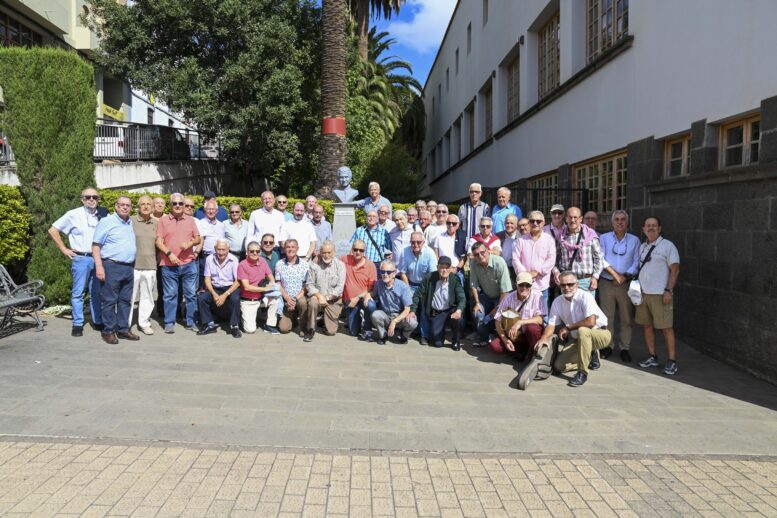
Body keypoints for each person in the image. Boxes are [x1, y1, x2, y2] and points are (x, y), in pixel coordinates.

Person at [535, 271, 611, 387]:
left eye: (570, 284)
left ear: (577, 284)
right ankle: (589, 356)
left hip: (600, 334)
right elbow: (551, 325)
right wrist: (544, 338)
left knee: (583, 331)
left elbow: (591, 322)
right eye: (563, 285)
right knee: (558, 366)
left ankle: (582, 373)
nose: (566, 288)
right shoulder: (557, 301)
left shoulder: (585, 296)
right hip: (578, 339)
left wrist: (568, 327)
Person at [48, 187, 107, 336]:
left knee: (96, 292)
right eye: (88, 197)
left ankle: (98, 321)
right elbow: (53, 230)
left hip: (98, 258)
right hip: (81, 258)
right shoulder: (73, 214)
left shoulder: (104, 214)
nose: (92, 200)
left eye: (95, 197)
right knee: (78, 292)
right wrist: (64, 249)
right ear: (82, 199)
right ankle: (78, 324)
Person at [636, 217, 681, 375]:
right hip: (643, 294)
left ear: (659, 228)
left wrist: (668, 290)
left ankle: (672, 360)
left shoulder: (668, 246)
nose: (651, 228)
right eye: (648, 226)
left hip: (661, 294)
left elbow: (675, 270)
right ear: (643, 229)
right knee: (647, 326)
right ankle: (652, 356)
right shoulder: (642, 247)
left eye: (654, 226)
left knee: (666, 328)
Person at [92, 196, 138, 344]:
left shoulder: (129, 222)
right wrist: (99, 266)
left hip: (128, 267)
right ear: (116, 206)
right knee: (109, 301)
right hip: (112, 266)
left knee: (125, 300)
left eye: (128, 205)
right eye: (122, 205)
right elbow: (96, 245)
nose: (125, 207)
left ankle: (123, 329)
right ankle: (108, 331)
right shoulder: (107, 222)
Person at [155, 193, 202, 333]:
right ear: (170, 205)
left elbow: (198, 238)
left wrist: (189, 243)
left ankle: (191, 321)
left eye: (180, 203)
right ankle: (169, 322)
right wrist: (169, 254)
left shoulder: (190, 220)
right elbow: (158, 241)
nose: (177, 206)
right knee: (170, 295)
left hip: (188, 264)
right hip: (169, 266)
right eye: (174, 203)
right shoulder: (163, 221)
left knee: (191, 295)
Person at [598, 210, 641, 362]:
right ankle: (607, 345)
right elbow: (601, 259)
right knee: (607, 317)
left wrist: (623, 277)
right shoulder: (604, 238)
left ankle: (625, 348)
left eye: (623, 219)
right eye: (617, 219)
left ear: (627, 222)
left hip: (626, 284)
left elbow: (636, 263)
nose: (620, 222)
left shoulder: (635, 240)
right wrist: (616, 275)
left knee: (626, 317)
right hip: (606, 282)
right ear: (612, 223)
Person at [409, 256, 466, 350]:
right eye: (442, 267)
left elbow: (462, 298)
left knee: (459, 319)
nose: (444, 270)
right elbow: (417, 295)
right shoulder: (430, 277)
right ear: (437, 267)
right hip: (438, 312)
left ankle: (456, 340)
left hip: (450, 310)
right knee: (437, 343)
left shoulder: (454, 279)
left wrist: (458, 311)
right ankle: (440, 332)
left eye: (447, 267)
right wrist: (412, 311)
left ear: (451, 268)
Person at [489, 272, 546, 361]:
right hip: (515, 336)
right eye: (521, 285)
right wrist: (505, 340)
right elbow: (497, 321)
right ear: (516, 285)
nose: (524, 288)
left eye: (527, 285)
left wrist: (520, 322)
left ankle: (531, 353)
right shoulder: (509, 298)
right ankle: (519, 351)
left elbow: (540, 319)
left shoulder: (538, 296)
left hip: (530, 334)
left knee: (532, 329)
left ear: (531, 285)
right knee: (495, 346)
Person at [469, 241, 513, 346]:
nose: (479, 256)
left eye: (482, 252)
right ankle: (486, 338)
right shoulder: (474, 263)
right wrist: (477, 303)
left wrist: (494, 311)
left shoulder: (499, 262)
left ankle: (499, 337)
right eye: (476, 254)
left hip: (503, 297)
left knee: (497, 316)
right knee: (478, 314)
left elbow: (505, 291)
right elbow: (473, 285)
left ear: (488, 250)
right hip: (487, 296)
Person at [552, 207, 603, 294]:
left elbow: (599, 258)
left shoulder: (590, 235)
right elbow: (554, 259)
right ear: (566, 219)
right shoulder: (561, 237)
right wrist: (556, 272)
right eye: (570, 217)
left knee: (586, 308)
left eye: (575, 217)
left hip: (586, 282)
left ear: (580, 219)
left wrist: (595, 277)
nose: (573, 220)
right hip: (566, 283)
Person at [196, 239, 241, 338]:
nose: (221, 252)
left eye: (223, 250)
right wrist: (214, 293)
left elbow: (238, 281)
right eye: (219, 249)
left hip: (230, 286)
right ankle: (209, 324)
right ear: (215, 249)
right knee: (201, 298)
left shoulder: (234, 259)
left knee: (235, 298)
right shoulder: (209, 259)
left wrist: (225, 295)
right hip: (215, 287)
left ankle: (234, 326)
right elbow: (207, 278)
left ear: (228, 249)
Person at [399, 232, 437, 344]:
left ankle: (424, 335)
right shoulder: (405, 251)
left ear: (423, 242)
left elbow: (432, 274)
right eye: (413, 242)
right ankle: (408, 331)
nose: (415, 244)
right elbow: (402, 273)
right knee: (408, 305)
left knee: (424, 307)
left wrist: (423, 290)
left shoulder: (429, 253)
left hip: (425, 284)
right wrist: (407, 289)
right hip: (409, 283)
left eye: (418, 242)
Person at [128, 195, 158, 335]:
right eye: (143, 204)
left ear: (152, 207)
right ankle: (125, 323)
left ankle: (144, 323)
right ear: (138, 207)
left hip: (150, 265)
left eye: (148, 204)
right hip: (133, 265)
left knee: (147, 297)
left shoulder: (157, 223)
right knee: (130, 296)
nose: (146, 206)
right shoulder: (131, 221)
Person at [304, 241, 346, 340]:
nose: (326, 255)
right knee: (312, 303)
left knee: (331, 332)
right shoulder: (314, 264)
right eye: (324, 252)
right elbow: (309, 284)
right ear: (320, 252)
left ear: (334, 252)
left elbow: (340, 288)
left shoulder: (340, 265)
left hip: (333, 299)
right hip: (318, 297)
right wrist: (319, 296)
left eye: (329, 252)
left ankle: (324, 320)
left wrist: (326, 298)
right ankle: (310, 329)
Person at [513, 210, 556, 303]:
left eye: (538, 221)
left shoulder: (549, 240)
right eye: (532, 221)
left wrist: (537, 272)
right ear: (529, 223)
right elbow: (515, 259)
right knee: (524, 314)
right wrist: (526, 275)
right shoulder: (521, 240)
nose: (535, 223)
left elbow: (551, 260)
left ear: (543, 223)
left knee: (542, 315)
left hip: (541, 285)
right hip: (524, 285)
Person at [371, 259, 417, 344]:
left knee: (413, 322)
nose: (385, 274)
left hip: (399, 316)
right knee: (375, 315)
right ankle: (383, 335)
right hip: (385, 315)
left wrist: (395, 321)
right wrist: (367, 295)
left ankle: (404, 335)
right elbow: (373, 295)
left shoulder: (402, 286)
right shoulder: (378, 284)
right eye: (383, 272)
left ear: (394, 273)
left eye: (388, 272)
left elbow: (407, 308)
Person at [238, 241, 280, 334]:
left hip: (262, 298)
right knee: (250, 330)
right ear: (247, 252)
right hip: (248, 300)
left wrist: (272, 284)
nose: (255, 253)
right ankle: (243, 316)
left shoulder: (262, 260)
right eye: (252, 251)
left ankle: (269, 325)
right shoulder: (242, 265)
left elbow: (270, 276)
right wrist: (265, 289)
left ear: (260, 252)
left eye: (257, 251)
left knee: (275, 300)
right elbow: (247, 287)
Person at [341, 239, 377, 339]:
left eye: (361, 250)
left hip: (362, 298)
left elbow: (371, 288)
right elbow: (330, 258)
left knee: (371, 306)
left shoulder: (370, 265)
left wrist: (358, 297)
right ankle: (358, 318)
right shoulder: (345, 260)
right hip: (350, 302)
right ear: (352, 250)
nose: (358, 252)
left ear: (364, 251)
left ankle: (367, 329)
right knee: (353, 332)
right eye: (355, 249)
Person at [276, 239, 311, 335]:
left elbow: (306, 285)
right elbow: (278, 283)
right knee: (283, 329)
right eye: (288, 247)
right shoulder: (279, 264)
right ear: (284, 249)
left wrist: (295, 299)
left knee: (303, 302)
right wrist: (287, 298)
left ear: (297, 249)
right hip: (286, 299)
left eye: (293, 247)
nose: (290, 249)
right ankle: (293, 320)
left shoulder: (305, 265)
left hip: (299, 297)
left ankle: (303, 327)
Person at [196, 199, 227, 289]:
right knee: (204, 282)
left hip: (219, 257)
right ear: (205, 210)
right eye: (209, 209)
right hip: (205, 257)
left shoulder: (221, 225)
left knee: (217, 281)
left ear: (217, 211)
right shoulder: (200, 223)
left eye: (213, 209)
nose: (211, 211)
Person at [497, 214, 520, 284]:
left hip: (516, 270)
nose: (509, 225)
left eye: (512, 223)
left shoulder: (522, 237)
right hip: (501, 269)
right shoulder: (497, 236)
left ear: (516, 225)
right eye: (507, 223)